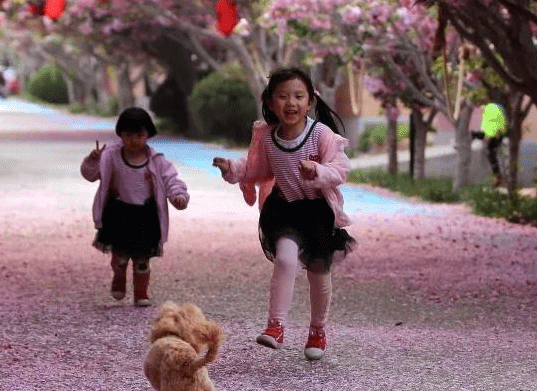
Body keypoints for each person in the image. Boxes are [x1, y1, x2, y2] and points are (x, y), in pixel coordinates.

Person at [212, 67, 356, 361]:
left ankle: (317, 330)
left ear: (309, 102)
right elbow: (256, 170)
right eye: (283, 96)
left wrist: (318, 170)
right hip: (284, 210)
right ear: (270, 102)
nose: (291, 103)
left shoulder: (320, 135)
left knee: (319, 272)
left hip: (317, 213)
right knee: (286, 259)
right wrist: (232, 169)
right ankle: (275, 326)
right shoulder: (266, 137)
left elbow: (341, 170)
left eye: (298, 96)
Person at [81, 107, 189, 307]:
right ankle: (119, 277)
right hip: (118, 214)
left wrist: (178, 196)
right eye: (128, 135)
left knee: (142, 260)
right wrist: (93, 160)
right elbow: (90, 174)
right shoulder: (110, 155)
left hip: (146, 217)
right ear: (120, 134)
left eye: (139, 135)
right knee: (120, 256)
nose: (133, 140)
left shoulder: (156, 161)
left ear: (148, 134)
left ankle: (141, 293)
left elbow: (171, 179)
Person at [472, 102, 506, 187]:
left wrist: (488, 137)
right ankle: (497, 175)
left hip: (495, 134)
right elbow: (488, 124)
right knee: (491, 154)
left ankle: (497, 176)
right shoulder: (495, 106)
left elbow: (492, 123)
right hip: (498, 133)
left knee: (491, 154)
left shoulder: (488, 108)